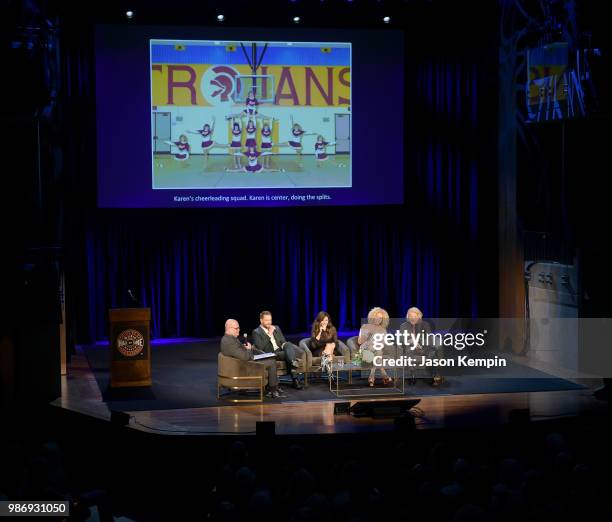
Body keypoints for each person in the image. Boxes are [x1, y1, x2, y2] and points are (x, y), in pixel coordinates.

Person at [220, 319, 283, 398]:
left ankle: (271, 386)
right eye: (236, 328)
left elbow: (237, 351)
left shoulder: (229, 338)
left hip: (242, 362)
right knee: (272, 362)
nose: (239, 330)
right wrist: (248, 349)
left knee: (266, 356)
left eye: (239, 328)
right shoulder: (229, 341)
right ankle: (273, 390)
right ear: (229, 328)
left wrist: (245, 347)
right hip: (245, 366)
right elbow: (245, 357)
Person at [252, 311, 304, 389]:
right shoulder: (256, 332)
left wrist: (284, 345)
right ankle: (295, 378)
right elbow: (260, 347)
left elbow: (283, 341)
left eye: (270, 320)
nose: (269, 322)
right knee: (289, 354)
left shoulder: (276, 328)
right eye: (266, 320)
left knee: (288, 344)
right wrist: (269, 334)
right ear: (261, 320)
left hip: (280, 351)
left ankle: (293, 363)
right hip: (270, 353)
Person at [399, 307, 443, 386]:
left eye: (415, 316)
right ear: (408, 317)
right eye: (410, 316)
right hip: (411, 348)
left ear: (419, 317)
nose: (412, 318)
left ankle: (434, 375)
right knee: (408, 352)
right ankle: (412, 375)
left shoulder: (425, 325)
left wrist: (420, 343)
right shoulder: (403, 326)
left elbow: (429, 338)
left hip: (424, 347)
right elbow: (402, 338)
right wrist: (413, 342)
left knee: (432, 353)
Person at [357, 307, 392, 387]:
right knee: (377, 352)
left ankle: (371, 377)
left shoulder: (383, 330)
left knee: (378, 351)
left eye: (380, 318)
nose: (378, 319)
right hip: (365, 351)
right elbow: (359, 342)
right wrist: (367, 335)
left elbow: (383, 343)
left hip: (376, 351)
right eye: (376, 317)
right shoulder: (365, 326)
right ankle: (384, 376)